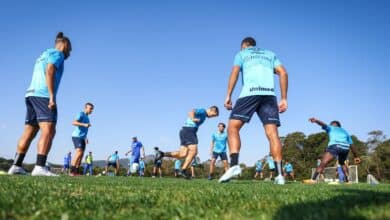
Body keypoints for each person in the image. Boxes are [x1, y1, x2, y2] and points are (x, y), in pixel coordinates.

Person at [219, 37, 288, 184]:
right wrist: (284, 98)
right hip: (269, 95)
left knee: (232, 127)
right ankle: (280, 176)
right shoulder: (270, 54)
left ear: (244, 46)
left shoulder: (242, 54)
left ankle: (234, 165)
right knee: (273, 133)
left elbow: (235, 72)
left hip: (249, 93)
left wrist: (228, 95)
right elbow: (283, 73)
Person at [8, 32, 72, 176]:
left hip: (31, 94)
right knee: (49, 129)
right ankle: (40, 166)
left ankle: (16, 165)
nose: (70, 53)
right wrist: (51, 96)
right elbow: (49, 71)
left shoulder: (44, 53)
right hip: (43, 95)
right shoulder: (58, 54)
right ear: (65, 45)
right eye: (70, 49)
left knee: (29, 132)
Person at [163, 106, 219, 178]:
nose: (212, 117)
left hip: (184, 131)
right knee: (194, 151)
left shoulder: (204, 116)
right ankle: (183, 170)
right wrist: (193, 119)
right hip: (189, 130)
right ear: (211, 110)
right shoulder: (203, 111)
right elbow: (191, 111)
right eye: (213, 115)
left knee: (182, 154)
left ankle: (162, 154)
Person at [304, 118, 361, 184]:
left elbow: (323, 124)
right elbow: (352, 145)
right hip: (345, 148)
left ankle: (313, 180)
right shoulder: (345, 131)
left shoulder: (332, 127)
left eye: (330, 124)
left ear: (333, 124)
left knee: (323, 162)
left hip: (335, 146)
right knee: (342, 163)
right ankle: (348, 180)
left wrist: (316, 120)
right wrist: (356, 156)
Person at [70, 103, 94, 176]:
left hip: (83, 138)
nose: (91, 110)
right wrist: (84, 124)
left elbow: (84, 130)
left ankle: (76, 172)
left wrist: (86, 138)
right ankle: (72, 171)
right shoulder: (81, 114)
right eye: (90, 108)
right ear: (85, 108)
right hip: (77, 136)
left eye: (92, 109)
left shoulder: (87, 118)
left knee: (81, 155)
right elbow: (73, 122)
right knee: (79, 152)